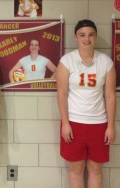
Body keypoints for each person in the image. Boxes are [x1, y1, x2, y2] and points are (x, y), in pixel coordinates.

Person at [56, 19, 116, 188]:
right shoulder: (67, 61)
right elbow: (61, 93)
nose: (86, 39)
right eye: (82, 35)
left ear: (95, 37)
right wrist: (65, 123)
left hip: (98, 123)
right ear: (76, 37)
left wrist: (111, 126)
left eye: (90, 35)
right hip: (74, 123)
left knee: (95, 168)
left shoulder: (106, 62)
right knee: (76, 168)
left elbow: (110, 96)